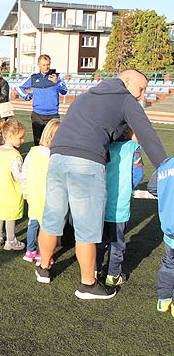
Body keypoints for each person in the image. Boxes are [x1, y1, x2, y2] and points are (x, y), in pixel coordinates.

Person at [36, 69, 167, 301]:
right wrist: (166, 168)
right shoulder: (126, 99)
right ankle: (88, 284)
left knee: (52, 218)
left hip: (57, 158)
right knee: (87, 228)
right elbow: (147, 134)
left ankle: (43, 268)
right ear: (127, 82)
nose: (141, 94)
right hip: (86, 162)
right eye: (141, 88)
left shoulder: (87, 95)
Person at [95, 127, 144, 286]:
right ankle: (113, 274)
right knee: (117, 243)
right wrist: (126, 186)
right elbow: (138, 174)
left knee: (99, 240)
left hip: (100, 202)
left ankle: (94, 269)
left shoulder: (103, 145)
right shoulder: (133, 148)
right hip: (120, 205)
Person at [21, 118, 61, 263]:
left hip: (33, 195)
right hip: (49, 198)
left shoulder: (33, 152)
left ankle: (30, 251)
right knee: (48, 228)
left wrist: (25, 191)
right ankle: (44, 255)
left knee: (33, 223)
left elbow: (24, 173)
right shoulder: (54, 157)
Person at [16, 54, 68, 145]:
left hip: (53, 115)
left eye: (48, 64)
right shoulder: (33, 77)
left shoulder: (57, 77)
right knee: (38, 142)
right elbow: (19, 87)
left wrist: (56, 83)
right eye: (43, 65)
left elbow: (64, 91)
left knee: (53, 142)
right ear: (39, 65)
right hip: (37, 115)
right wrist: (27, 96)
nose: (46, 67)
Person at [0, 118, 26, 250]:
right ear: (10, 136)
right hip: (11, 191)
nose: (22, 140)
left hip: (0, 188)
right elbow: (18, 176)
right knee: (10, 215)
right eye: (20, 138)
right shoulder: (15, 156)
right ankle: (10, 241)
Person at [147, 157, 174, 314]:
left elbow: (152, 187)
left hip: (169, 227)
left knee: (169, 263)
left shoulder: (166, 164)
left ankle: (163, 300)